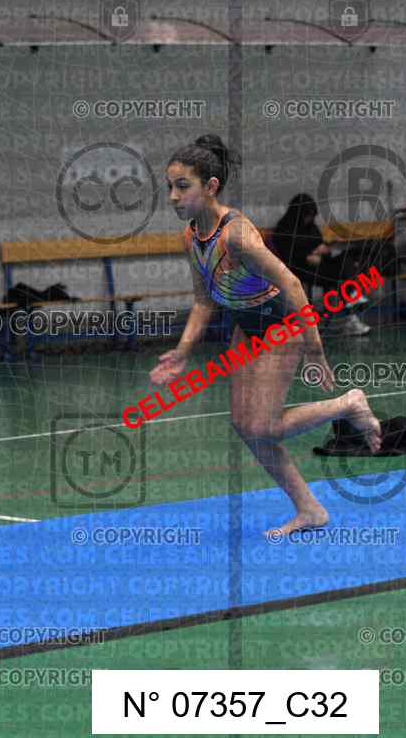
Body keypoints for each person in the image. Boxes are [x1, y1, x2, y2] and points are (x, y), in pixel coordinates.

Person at [149, 134, 381, 538]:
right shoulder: (191, 236)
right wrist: (183, 351)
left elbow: (291, 284)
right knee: (245, 425)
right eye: (170, 186)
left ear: (211, 186)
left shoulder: (236, 234)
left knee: (266, 427)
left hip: (281, 325)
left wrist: (315, 349)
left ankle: (348, 404)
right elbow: (204, 300)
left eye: (182, 186)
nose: (173, 196)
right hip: (246, 327)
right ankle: (309, 509)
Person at [272, 194, 371, 335]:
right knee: (344, 276)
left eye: (311, 216)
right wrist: (307, 257)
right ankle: (352, 302)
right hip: (301, 269)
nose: (309, 219)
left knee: (347, 259)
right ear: (298, 214)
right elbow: (287, 257)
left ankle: (351, 309)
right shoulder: (284, 230)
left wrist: (323, 250)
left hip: (321, 265)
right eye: (307, 216)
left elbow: (318, 244)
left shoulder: (311, 227)